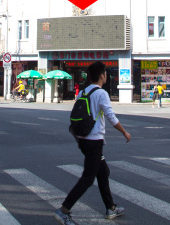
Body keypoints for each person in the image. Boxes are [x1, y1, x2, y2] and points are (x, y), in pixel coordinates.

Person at [55, 61, 130, 225]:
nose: (106, 76)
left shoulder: (83, 92)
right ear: (102, 76)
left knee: (103, 172)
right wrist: (124, 132)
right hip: (94, 141)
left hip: (83, 139)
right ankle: (64, 210)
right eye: (105, 73)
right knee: (88, 178)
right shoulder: (101, 93)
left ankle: (110, 207)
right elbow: (110, 116)